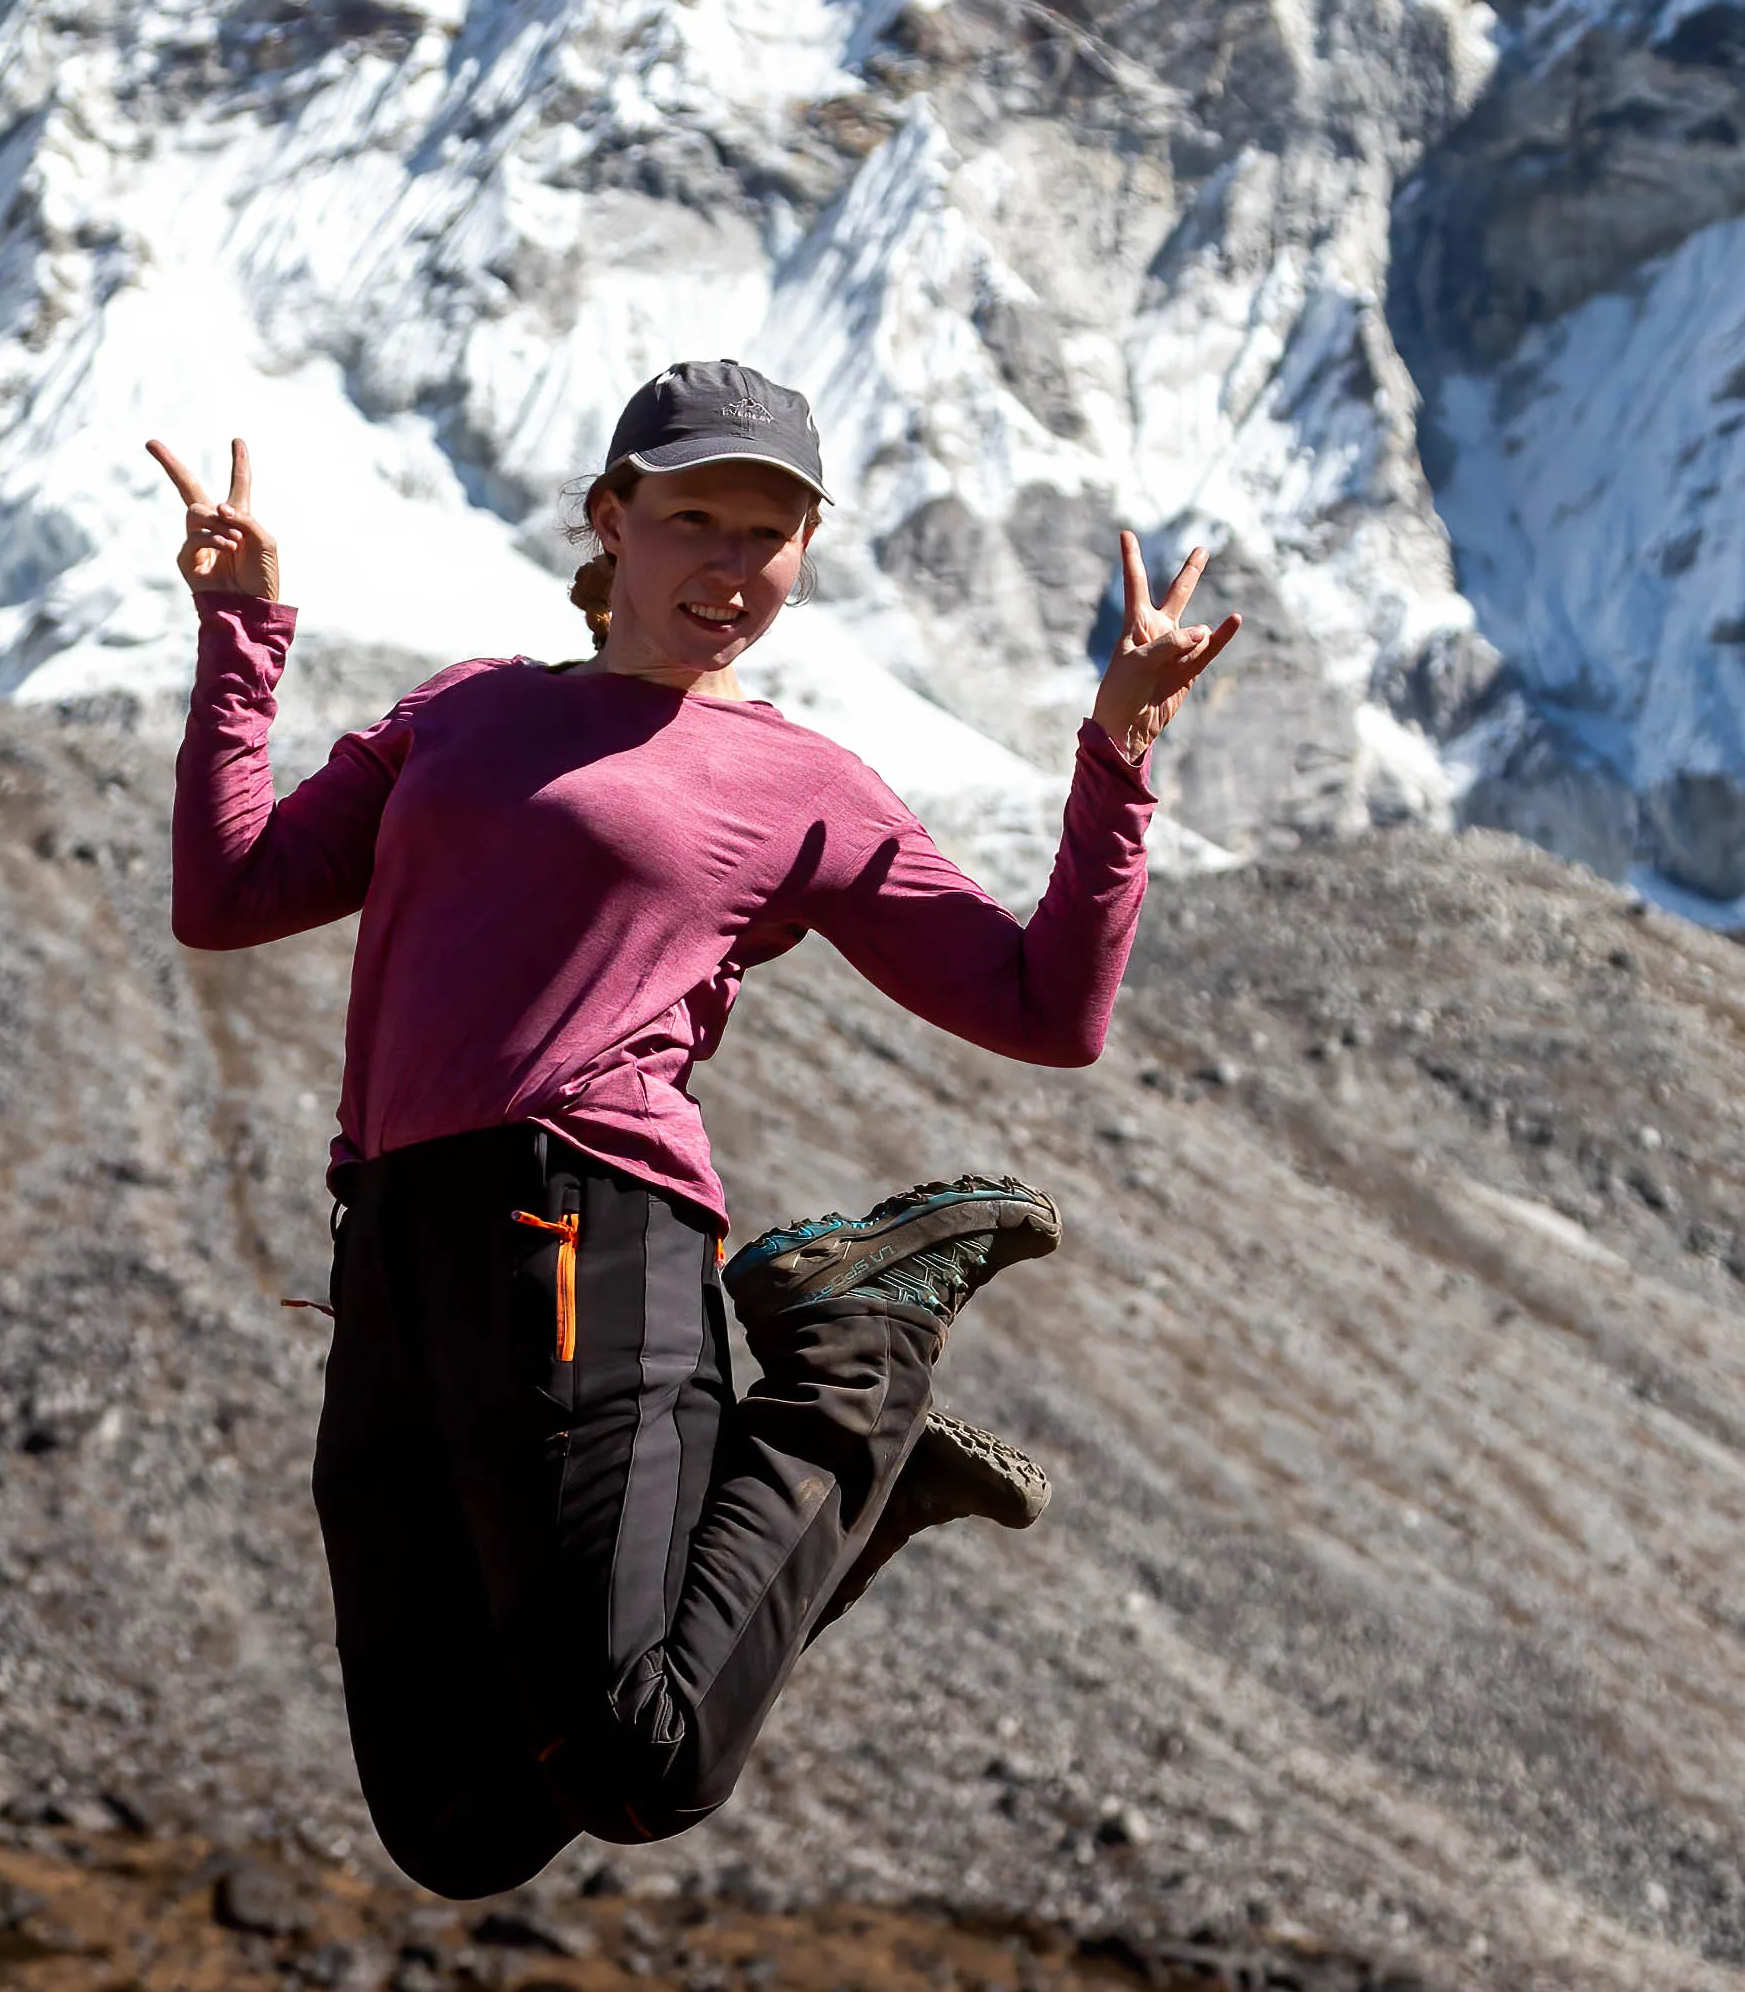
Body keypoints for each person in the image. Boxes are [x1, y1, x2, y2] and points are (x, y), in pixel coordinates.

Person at [154, 357, 1235, 1900]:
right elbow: (231, 895)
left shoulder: (800, 782)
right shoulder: (463, 711)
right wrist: (241, 636)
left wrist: (1117, 757)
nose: (732, 568)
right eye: (696, 522)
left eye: (770, 535)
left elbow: (1043, 1008)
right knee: (453, 1826)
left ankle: (853, 1367)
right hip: (389, 1249)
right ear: (613, 519)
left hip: (580, 1223)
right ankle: (862, 1481)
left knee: (642, 1762)